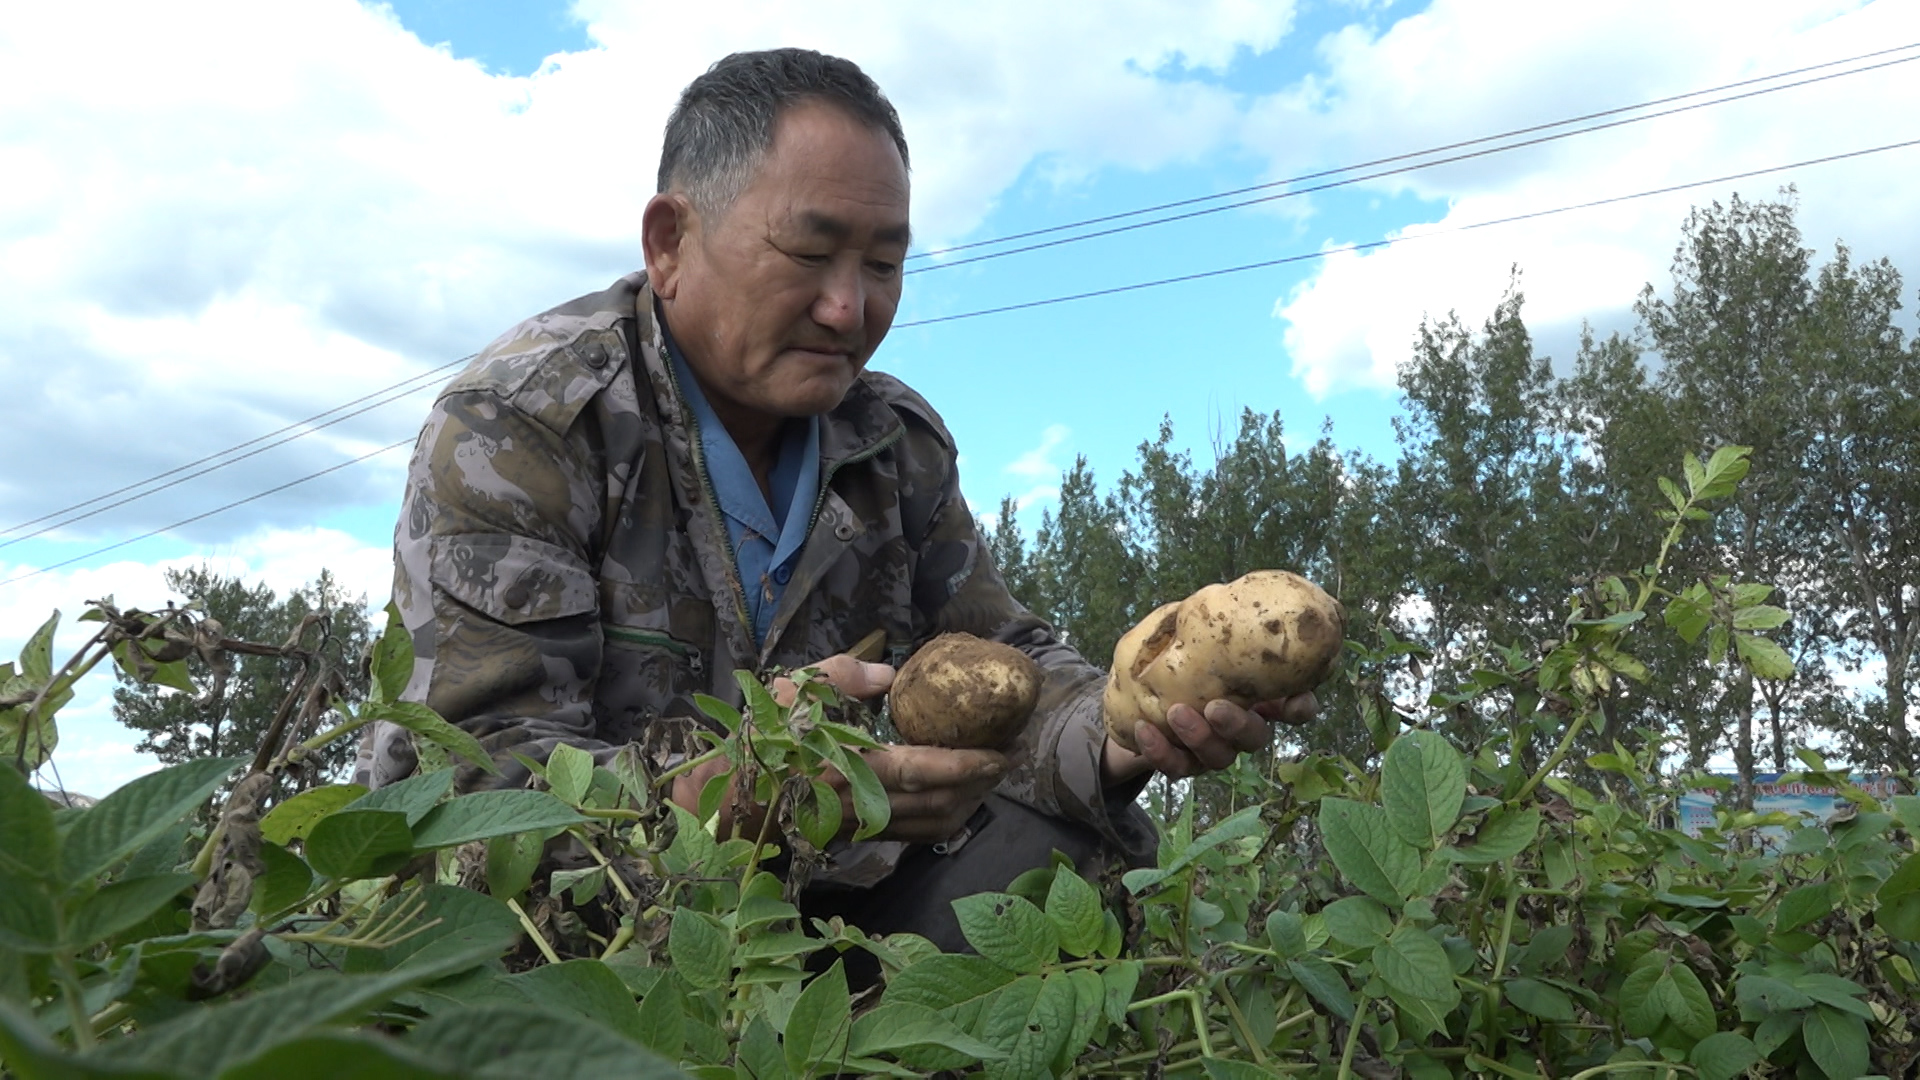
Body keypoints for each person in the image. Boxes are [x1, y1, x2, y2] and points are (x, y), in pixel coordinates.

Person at [352, 47, 1315, 955]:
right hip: (582, 939)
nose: (850, 309)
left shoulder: (893, 445)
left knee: (1051, 846)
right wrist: (745, 788)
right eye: (809, 254)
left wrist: (1121, 729)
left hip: (826, 922)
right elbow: (473, 796)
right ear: (670, 243)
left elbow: (1006, 665)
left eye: (885, 265)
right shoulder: (521, 430)